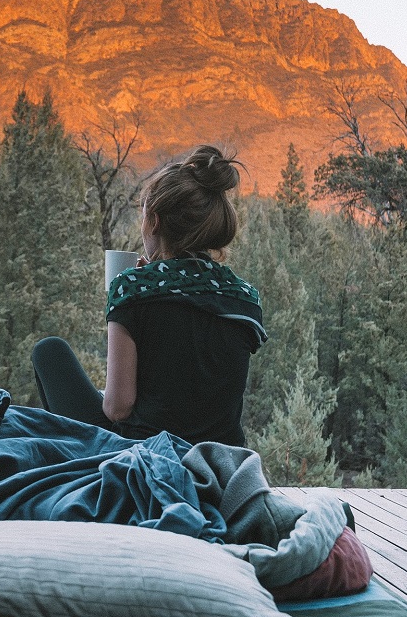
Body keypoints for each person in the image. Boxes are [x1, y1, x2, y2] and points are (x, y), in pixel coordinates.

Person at [31, 145, 265, 446]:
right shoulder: (244, 297)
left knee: (48, 351)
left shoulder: (132, 288)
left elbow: (117, 408)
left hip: (144, 452)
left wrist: (133, 288)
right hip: (220, 456)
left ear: (154, 220)